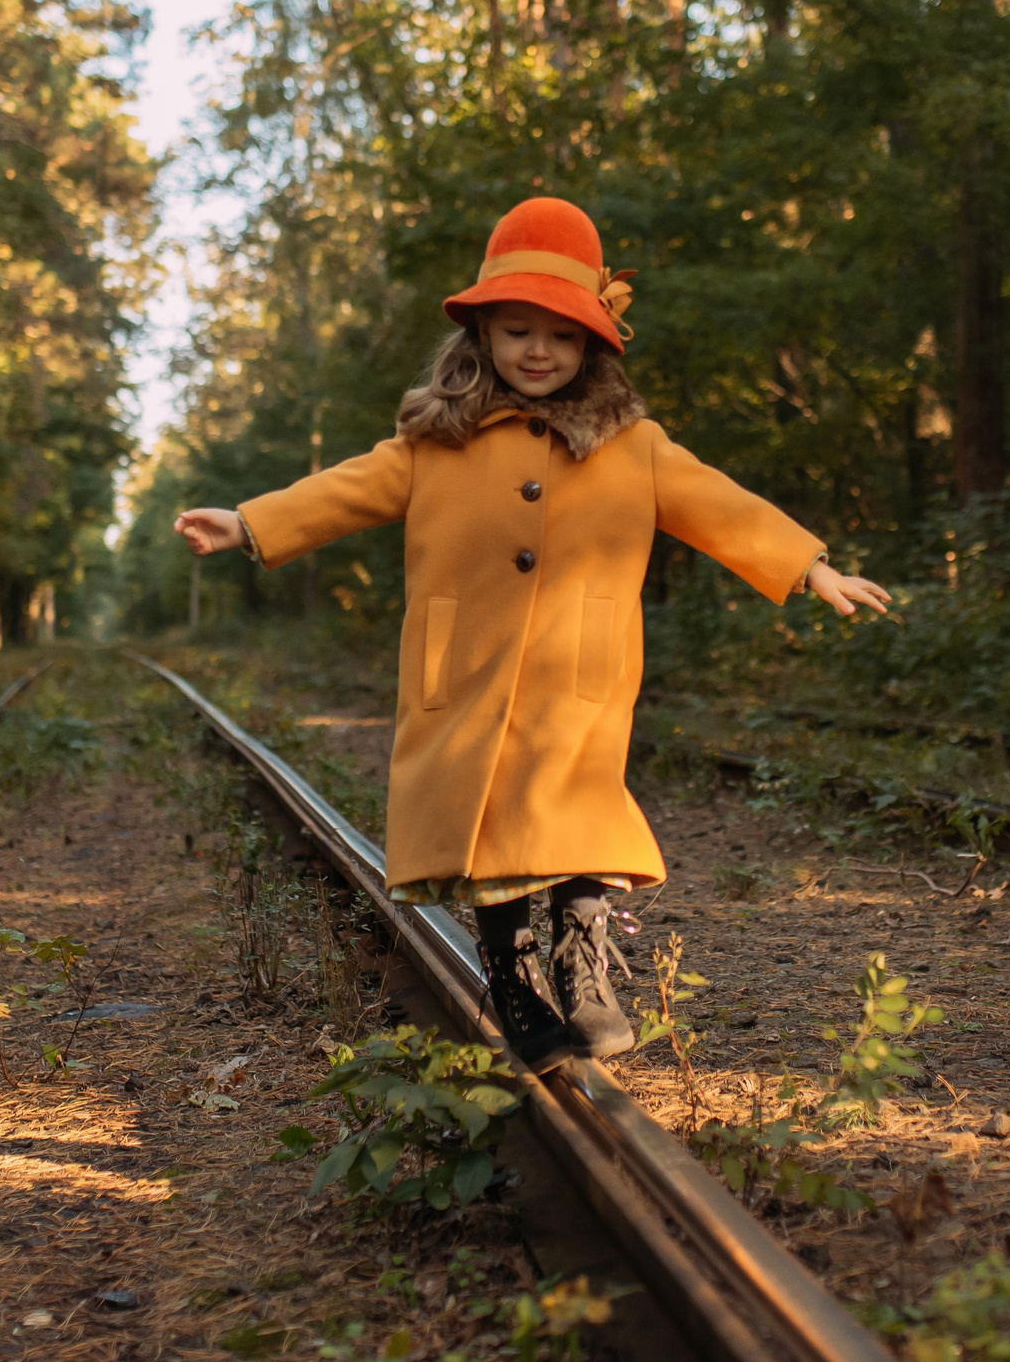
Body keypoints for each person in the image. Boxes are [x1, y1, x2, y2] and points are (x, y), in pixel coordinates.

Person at [172, 198, 889, 1071]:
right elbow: (344, 489)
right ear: (482, 335)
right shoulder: (436, 441)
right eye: (517, 331)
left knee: (580, 812)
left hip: (576, 673)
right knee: (488, 832)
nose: (538, 350)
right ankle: (511, 970)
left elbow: (719, 505)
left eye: (560, 334)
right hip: (464, 669)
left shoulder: (633, 444)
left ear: (591, 342)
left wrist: (809, 565)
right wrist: (248, 522)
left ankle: (582, 966)